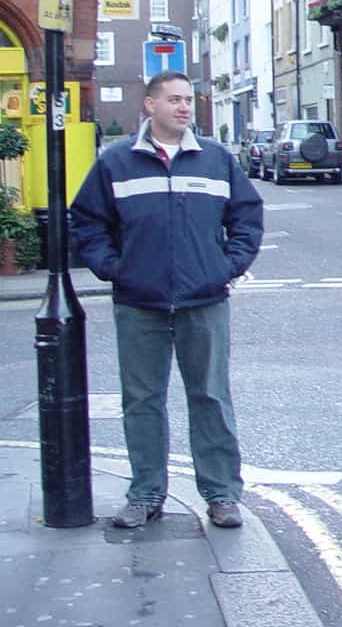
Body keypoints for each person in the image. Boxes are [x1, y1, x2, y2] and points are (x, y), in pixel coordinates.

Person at [70, 71, 263, 529]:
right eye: (173, 100)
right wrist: (117, 270)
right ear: (149, 106)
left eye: (187, 100)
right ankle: (146, 494)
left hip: (205, 300)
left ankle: (221, 495)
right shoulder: (116, 163)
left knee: (212, 397)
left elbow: (247, 217)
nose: (183, 107)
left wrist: (227, 265)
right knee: (142, 402)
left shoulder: (216, 160)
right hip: (139, 304)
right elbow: (87, 223)